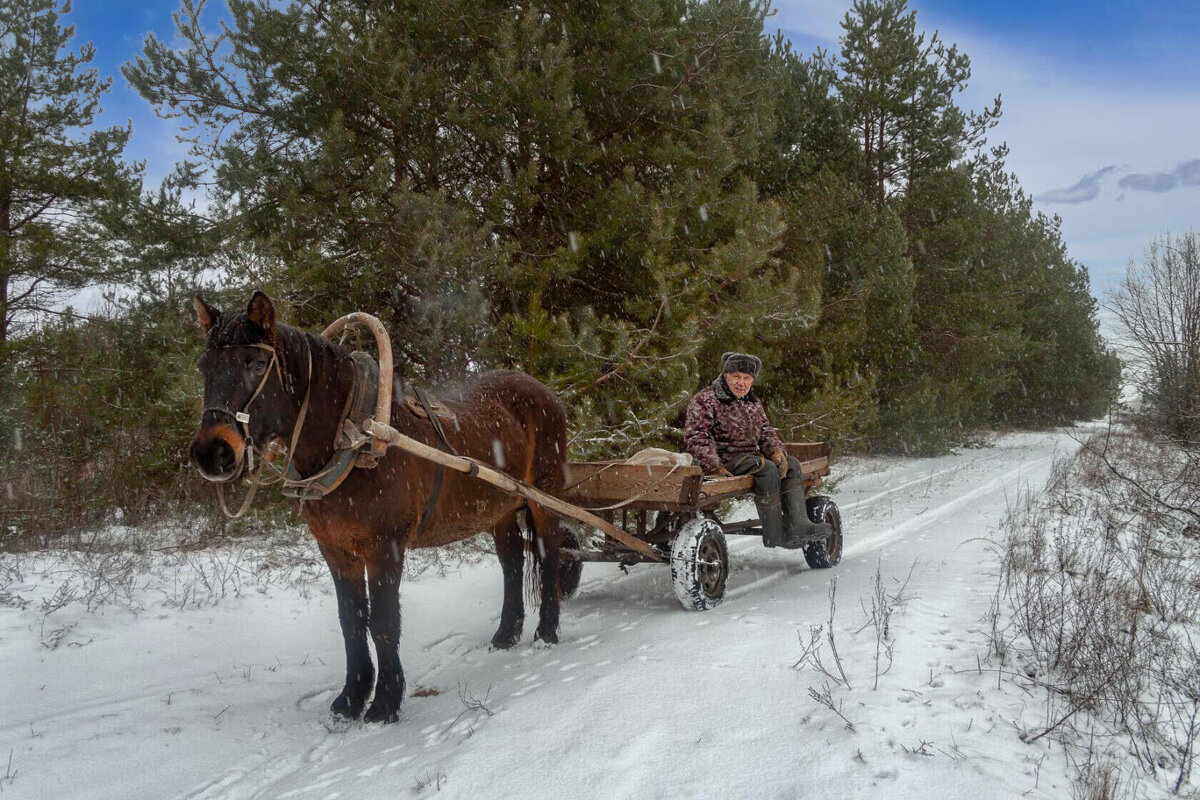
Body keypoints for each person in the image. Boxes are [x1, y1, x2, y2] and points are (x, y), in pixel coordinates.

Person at [684, 352, 832, 549]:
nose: (741, 383)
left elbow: (766, 432)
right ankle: (775, 534)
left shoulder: (752, 402)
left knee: (792, 465)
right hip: (723, 459)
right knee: (767, 470)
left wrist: (776, 452)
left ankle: (799, 526)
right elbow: (696, 437)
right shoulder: (706, 400)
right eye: (736, 377)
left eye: (746, 378)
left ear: (752, 381)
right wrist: (713, 466)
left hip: (748, 458)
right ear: (726, 376)